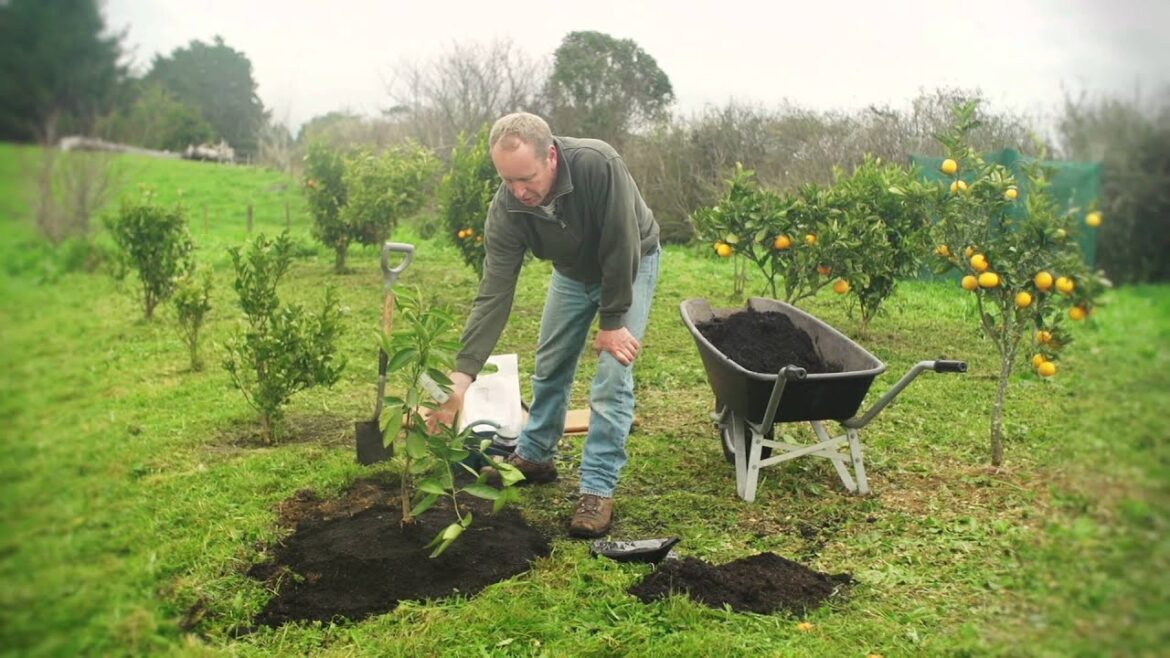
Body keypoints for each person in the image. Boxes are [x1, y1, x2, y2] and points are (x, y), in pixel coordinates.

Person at [428, 112, 660, 538]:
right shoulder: (508, 208)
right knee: (550, 363)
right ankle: (535, 454)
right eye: (507, 181)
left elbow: (620, 243)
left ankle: (596, 488)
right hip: (572, 272)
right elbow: (494, 291)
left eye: (527, 178)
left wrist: (612, 322)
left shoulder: (597, 164)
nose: (519, 191)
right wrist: (461, 379)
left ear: (551, 156)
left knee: (612, 374)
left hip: (631, 262)